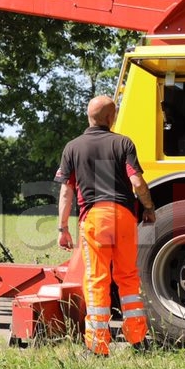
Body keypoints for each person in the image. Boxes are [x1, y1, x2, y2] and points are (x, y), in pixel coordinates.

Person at [55, 95, 157, 355]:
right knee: (128, 277)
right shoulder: (123, 143)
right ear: (111, 118)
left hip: (94, 218)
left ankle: (98, 345)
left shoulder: (73, 147)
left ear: (89, 117)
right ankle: (138, 340)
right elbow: (137, 183)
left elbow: (66, 192)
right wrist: (148, 207)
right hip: (124, 216)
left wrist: (62, 228)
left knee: (97, 279)